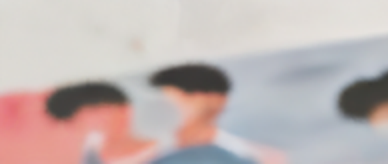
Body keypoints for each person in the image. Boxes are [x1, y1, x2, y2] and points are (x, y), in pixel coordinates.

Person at [148, 64, 286, 164]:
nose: (167, 108)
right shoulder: (150, 157)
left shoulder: (261, 157)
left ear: (215, 100)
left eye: (177, 100)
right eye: (163, 100)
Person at [44, 81, 160, 164]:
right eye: (96, 112)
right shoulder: (89, 157)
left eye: (122, 107)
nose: (123, 113)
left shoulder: (162, 150)